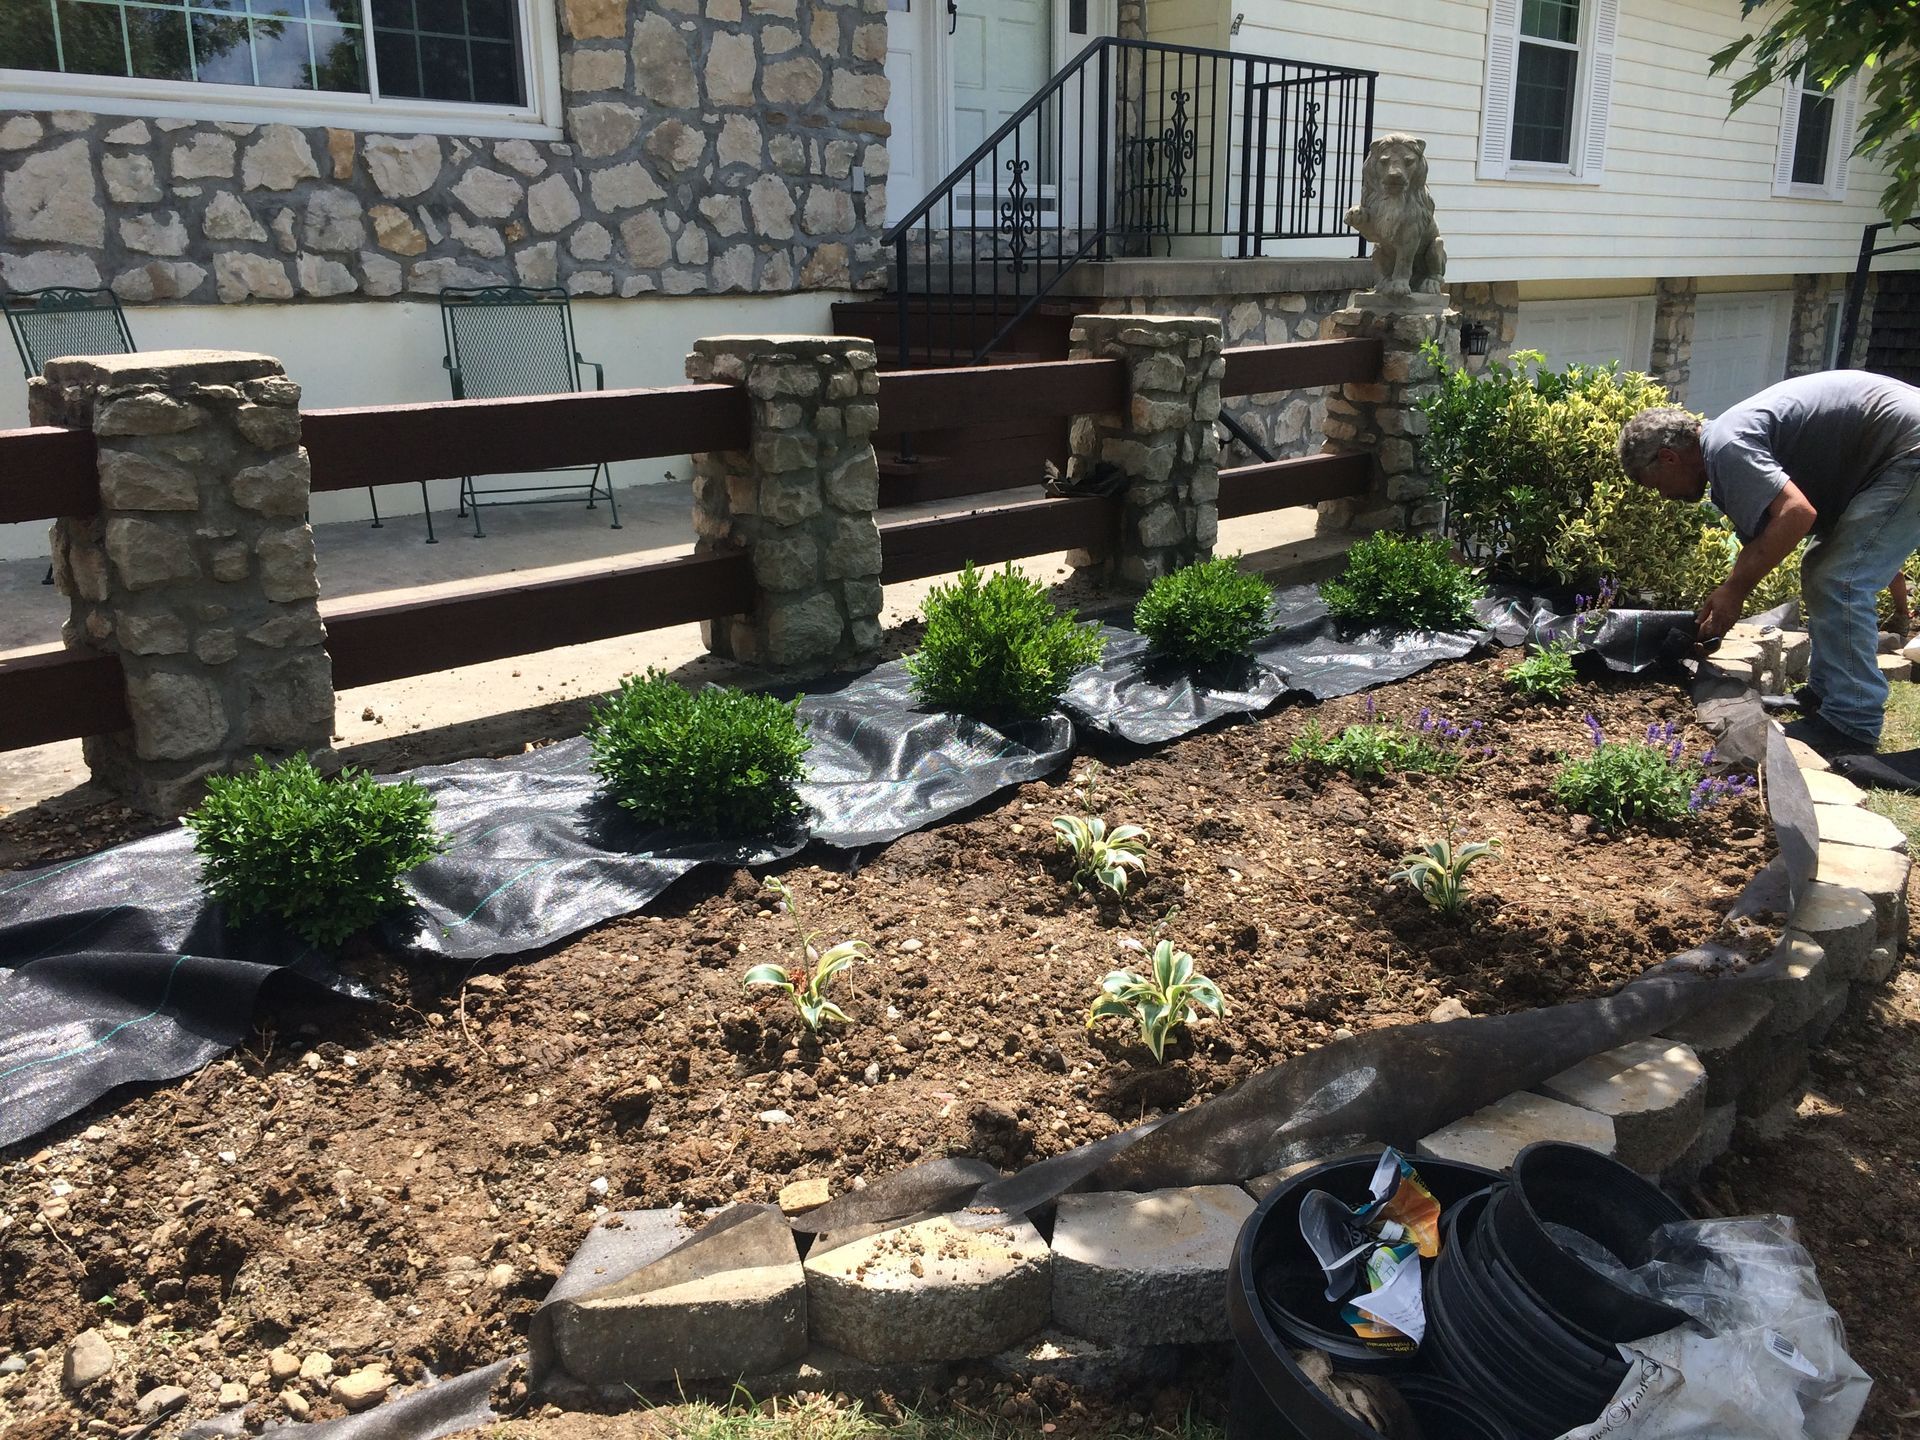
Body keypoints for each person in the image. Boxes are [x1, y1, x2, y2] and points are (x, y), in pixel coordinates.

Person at [1617, 371, 1920, 756]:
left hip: (1909, 451)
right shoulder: (1723, 449)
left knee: (1838, 579)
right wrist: (1728, 595)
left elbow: (1796, 513)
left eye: (1654, 483)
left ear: (1668, 457)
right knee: (1821, 568)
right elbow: (1762, 541)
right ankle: (1826, 696)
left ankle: (1852, 722)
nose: (1663, 494)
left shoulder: (1727, 446)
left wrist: (1736, 591)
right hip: (1897, 449)